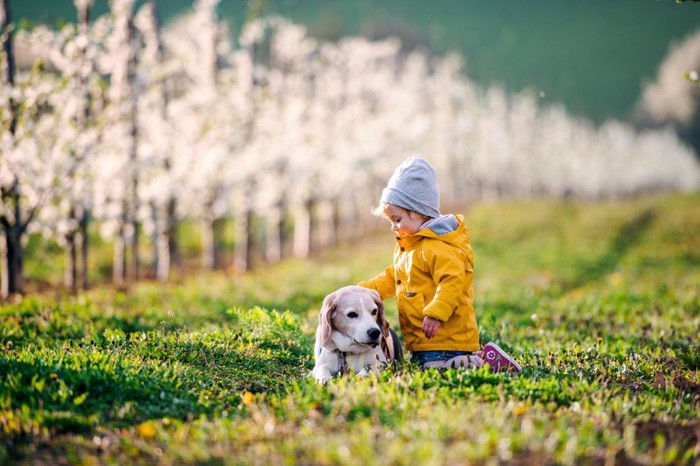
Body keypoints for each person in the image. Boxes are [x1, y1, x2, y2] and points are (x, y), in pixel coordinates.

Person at [358, 156, 521, 372]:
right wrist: (367, 290)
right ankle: (472, 360)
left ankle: (481, 361)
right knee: (423, 368)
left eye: (397, 220)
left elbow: (452, 281)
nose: (393, 227)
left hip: (446, 336)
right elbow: (394, 276)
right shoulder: (412, 246)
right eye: (391, 222)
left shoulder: (439, 246)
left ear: (417, 212)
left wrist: (436, 312)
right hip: (424, 339)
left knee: (436, 370)